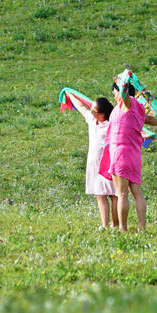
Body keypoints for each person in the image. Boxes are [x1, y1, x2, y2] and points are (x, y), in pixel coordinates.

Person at [105, 77, 157, 232]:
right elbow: (146, 119)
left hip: (121, 154)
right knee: (137, 193)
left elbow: (124, 94)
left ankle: (123, 229)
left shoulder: (126, 104)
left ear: (122, 92)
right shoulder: (138, 107)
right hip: (134, 155)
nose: (114, 97)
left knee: (121, 194)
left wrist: (124, 80)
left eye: (115, 93)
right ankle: (142, 228)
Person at [62, 89, 118, 229]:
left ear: (102, 114)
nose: (91, 113)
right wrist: (69, 94)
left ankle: (116, 224)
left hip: (109, 164)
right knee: (100, 194)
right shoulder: (93, 121)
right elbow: (81, 107)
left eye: (94, 111)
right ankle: (105, 225)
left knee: (114, 195)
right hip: (94, 164)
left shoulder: (112, 125)